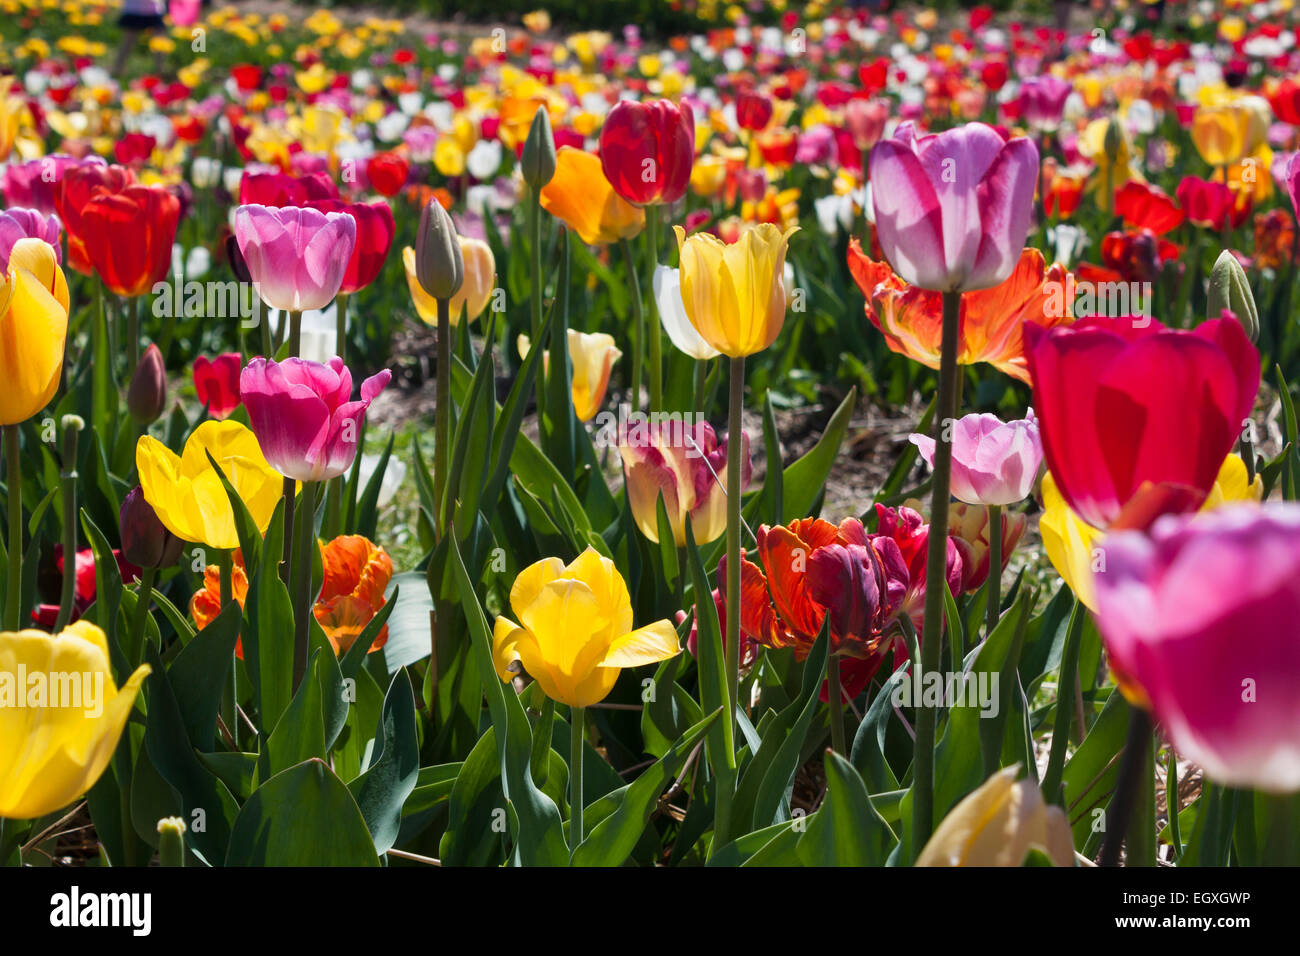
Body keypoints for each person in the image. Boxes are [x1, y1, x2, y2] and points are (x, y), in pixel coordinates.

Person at [113, 0, 167, 77]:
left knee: (160, 43)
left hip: (154, 9)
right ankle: (118, 69)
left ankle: (160, 71)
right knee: (128, 42)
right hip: (135, 9)